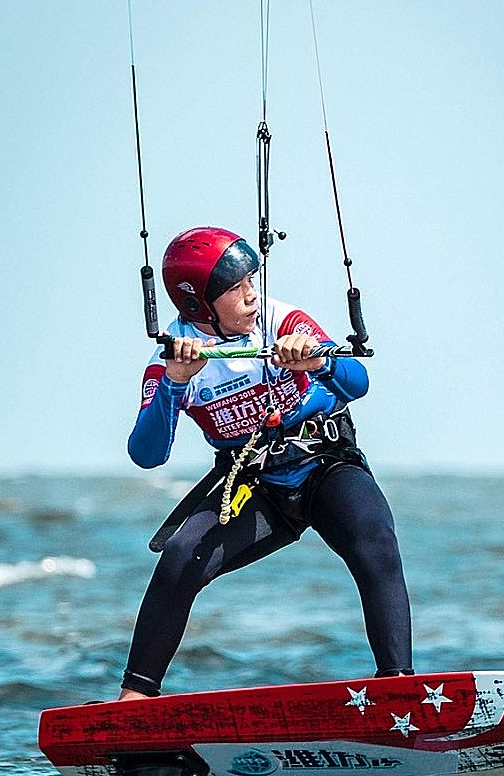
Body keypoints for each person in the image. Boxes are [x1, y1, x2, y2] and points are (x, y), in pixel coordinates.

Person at [119, 225, 412, 699]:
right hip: (253, 486)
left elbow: (357, 383)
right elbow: (147, 454)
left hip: (325, 467)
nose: (251, 296)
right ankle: (135, 697)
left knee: (375, 538)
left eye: (252, 281)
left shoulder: (284, 321)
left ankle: (397, 686)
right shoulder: (172, 359)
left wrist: (318, 362)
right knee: (179, 559)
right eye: (236, 289)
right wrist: (175, 383)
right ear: (199, 305)